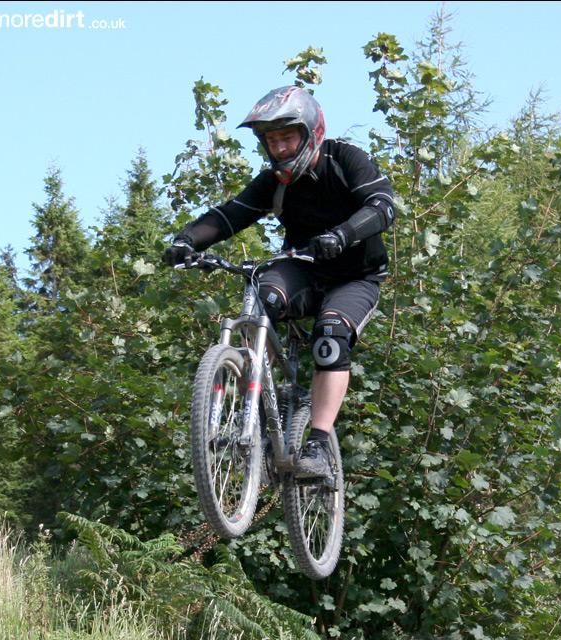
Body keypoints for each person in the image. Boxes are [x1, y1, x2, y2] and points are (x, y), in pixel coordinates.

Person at [164, 85, 395, 479]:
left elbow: (382, 206)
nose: (281, 148)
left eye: (288, 137)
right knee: (262, 294)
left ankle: (320, 445)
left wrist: (342, 235)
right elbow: (229, 215)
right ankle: (255, 413)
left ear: (310, 132)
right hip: (304, 269)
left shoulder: (346, 159)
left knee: (331, 337)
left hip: (356, 277)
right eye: (272, 140)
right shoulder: (274, 182)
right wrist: (186, 240)